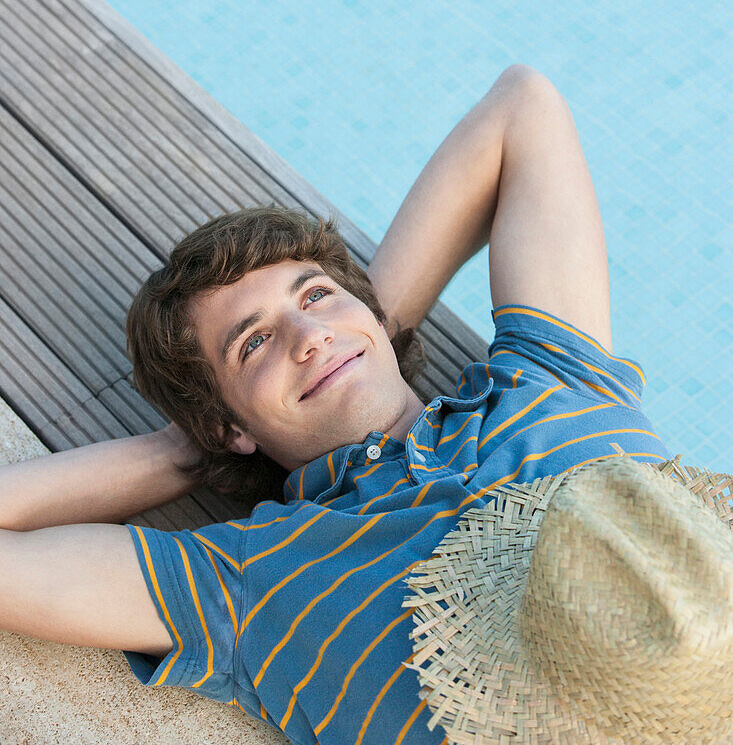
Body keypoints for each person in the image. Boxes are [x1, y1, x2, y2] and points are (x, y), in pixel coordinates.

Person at [0, 64, 672, 745]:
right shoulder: (251, 583)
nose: (309, 335)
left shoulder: (550, 377)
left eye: (316, 294)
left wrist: (367, 325)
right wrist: (183, 449)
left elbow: (523, 105)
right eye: (254, 342)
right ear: (228, 423)